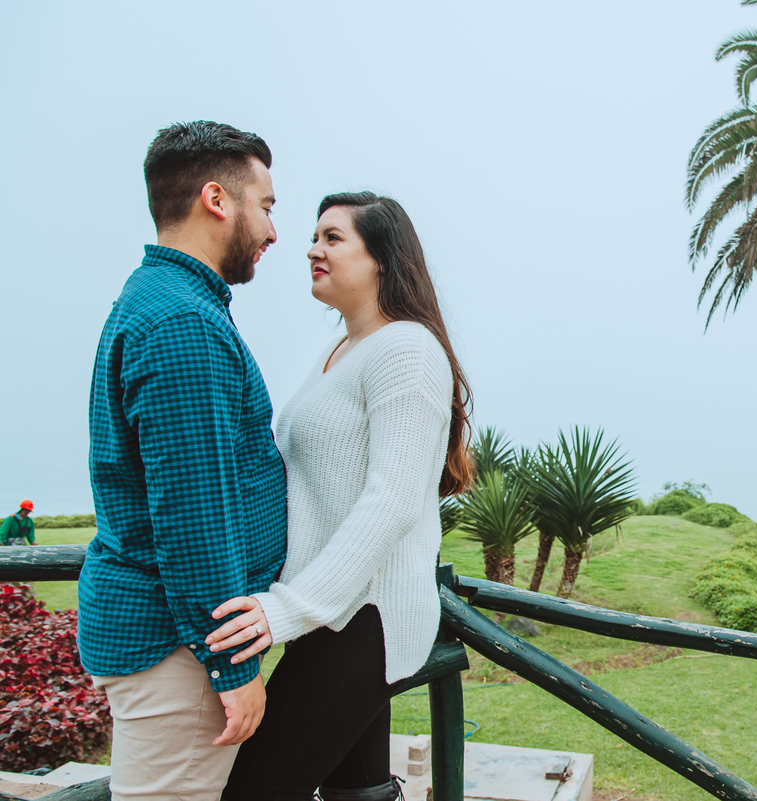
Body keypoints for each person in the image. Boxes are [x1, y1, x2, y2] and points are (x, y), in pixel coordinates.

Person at [207, 191, 474, 801]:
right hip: (330, 611)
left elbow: (393, 500)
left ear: (382, 257)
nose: (311, 250)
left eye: (333, 238)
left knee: (257, 789)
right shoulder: (342, 350)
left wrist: (287, 608)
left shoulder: (406, 350)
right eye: (314, 237)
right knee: (358, 792)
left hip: (364, 617)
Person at [79, 121, 287, 801]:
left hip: (173, 645)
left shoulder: (167, 302)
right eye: (265, 205)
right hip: (180, 654)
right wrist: (232, 668)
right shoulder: (184, 326)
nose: (273, 230)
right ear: (216, 199)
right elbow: (194, 518)